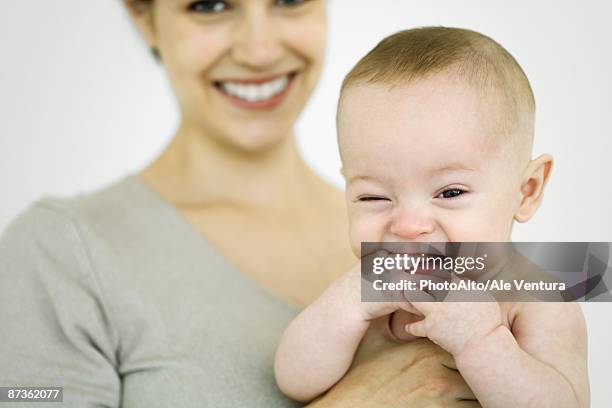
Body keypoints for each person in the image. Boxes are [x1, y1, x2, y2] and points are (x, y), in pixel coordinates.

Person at [0, 2, 479, 407]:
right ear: (143, 16)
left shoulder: (447, 230)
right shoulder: (55, 253)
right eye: (209, 4)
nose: (260, 50)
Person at [274, 27, 590, 407]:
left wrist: (482, 342)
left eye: (450, 193)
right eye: (373, 196)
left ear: (527, 191)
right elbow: (293, 381)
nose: (407, 226)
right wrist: (344, 305)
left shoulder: (535, 301)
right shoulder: (364, 293)